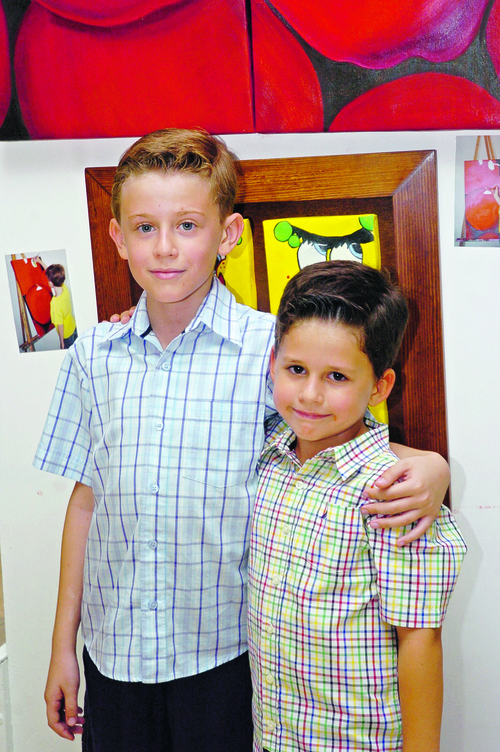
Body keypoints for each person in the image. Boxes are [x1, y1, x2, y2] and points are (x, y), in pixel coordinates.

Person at [34, 128, 450, 752]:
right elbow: (86, 501)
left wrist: (433, 466)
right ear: (117, 237)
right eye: (145, 228)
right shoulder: (92, 354)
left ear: (228, 234)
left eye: (187, 225)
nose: (165, 247)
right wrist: (61, 647)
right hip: (112, 654)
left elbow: (333, 440)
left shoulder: (273, 352)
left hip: (226, 660)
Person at [248, 260, 466, 752]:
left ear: (380, 387)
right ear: (273, 362)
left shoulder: (394, 493)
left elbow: (419, 640)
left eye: (337, 377)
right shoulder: (268, 457)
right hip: (274, 736)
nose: (310, 395)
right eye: (296, 370)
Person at [44, 263, 78, 349]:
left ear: (51, 283)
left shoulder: (55, 304)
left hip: (67, 336)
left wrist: (62, 342)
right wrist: (40, 262)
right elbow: (54, 277)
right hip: (74, 327)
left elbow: (60, 326)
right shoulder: (64, 288)